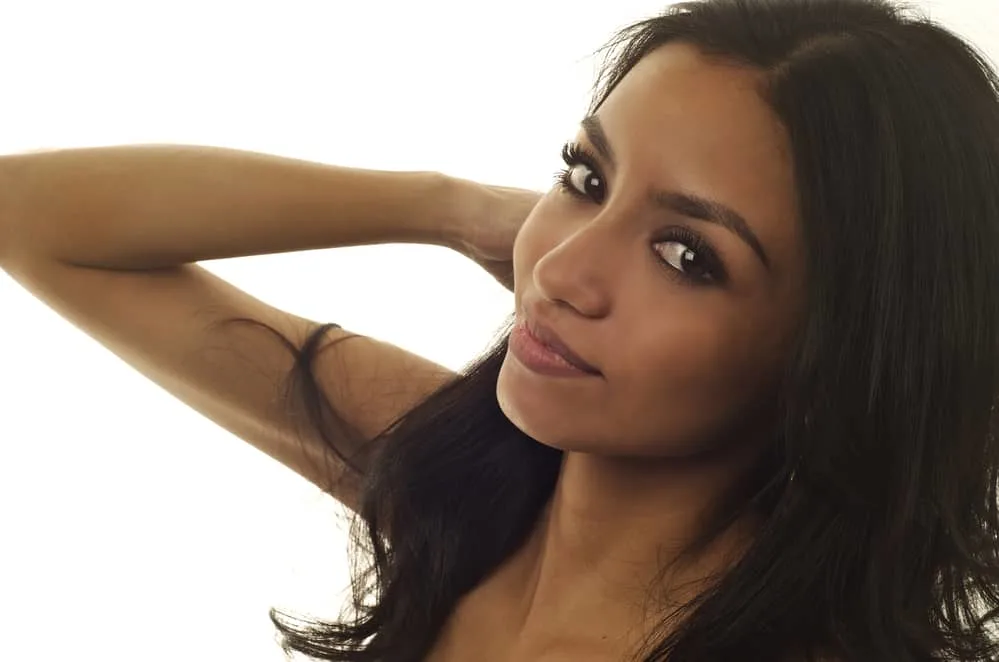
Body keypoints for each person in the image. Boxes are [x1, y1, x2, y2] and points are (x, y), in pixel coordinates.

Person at [2, 0, 998, 659]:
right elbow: (28, 215)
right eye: (586, 176)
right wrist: (449, 205)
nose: (561, 269)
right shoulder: (454, 480)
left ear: (843, 351)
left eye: (687, 254)